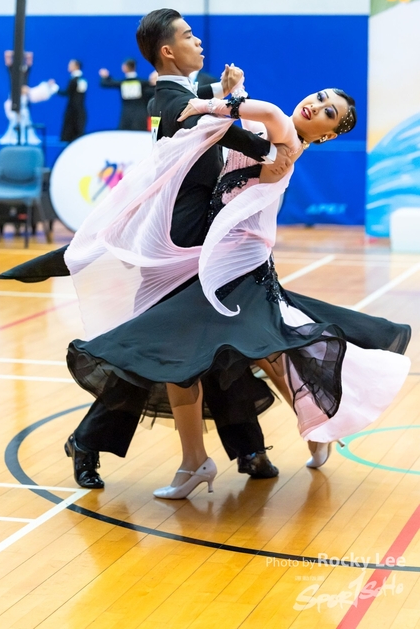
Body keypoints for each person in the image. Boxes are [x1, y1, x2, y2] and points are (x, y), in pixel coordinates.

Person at [62, 67, 410, 502]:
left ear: (327, 135)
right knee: (258, 354)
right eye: (321, 96)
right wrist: (231, 94)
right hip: (214, 261)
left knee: (206, 354)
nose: (317, 105)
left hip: (234, 269)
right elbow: (240, 125)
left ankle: (216, 456)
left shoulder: (284, 133)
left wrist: (210, 102)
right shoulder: (263, 132)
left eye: (328, 112)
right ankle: (298, 435)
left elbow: (261, 115)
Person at [0, 9, 293, 487]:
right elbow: (218, 124)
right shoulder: (171, 99)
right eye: (189, 35)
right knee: (153, 355)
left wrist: (227, 95)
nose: (199, 41)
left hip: (204, 243)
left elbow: (212, 111)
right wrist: (277, 148)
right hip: (176, 248)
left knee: (221, 349)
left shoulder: (186, 94)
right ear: (167, 51)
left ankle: (249, 450)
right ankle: (89, 442)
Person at [99, 58, 155, 131]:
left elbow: (106, 83)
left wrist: (105, 77)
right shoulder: (143, 83)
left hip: (126, 116)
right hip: (140, 116)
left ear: (125, 67)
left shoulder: (122, 83)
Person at [58, 59, 87, 142]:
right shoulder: (80, 79)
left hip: (73, 112)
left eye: (71, 65)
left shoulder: (75, 80)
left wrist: (55, 88)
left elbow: (67, 92)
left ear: (76, 66)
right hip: (78, 111)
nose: (69, 66)